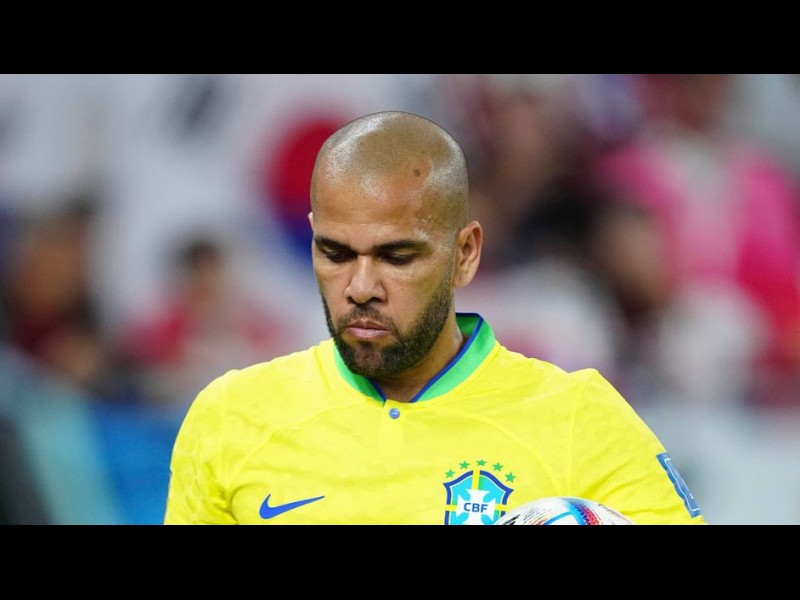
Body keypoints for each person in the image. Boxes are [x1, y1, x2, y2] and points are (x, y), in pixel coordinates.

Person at [163, 110, 707, 525]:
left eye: (396, 257)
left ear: (465, 254)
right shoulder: (229, 418)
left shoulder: (579, 418)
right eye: (335, 253)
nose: (360, 287)